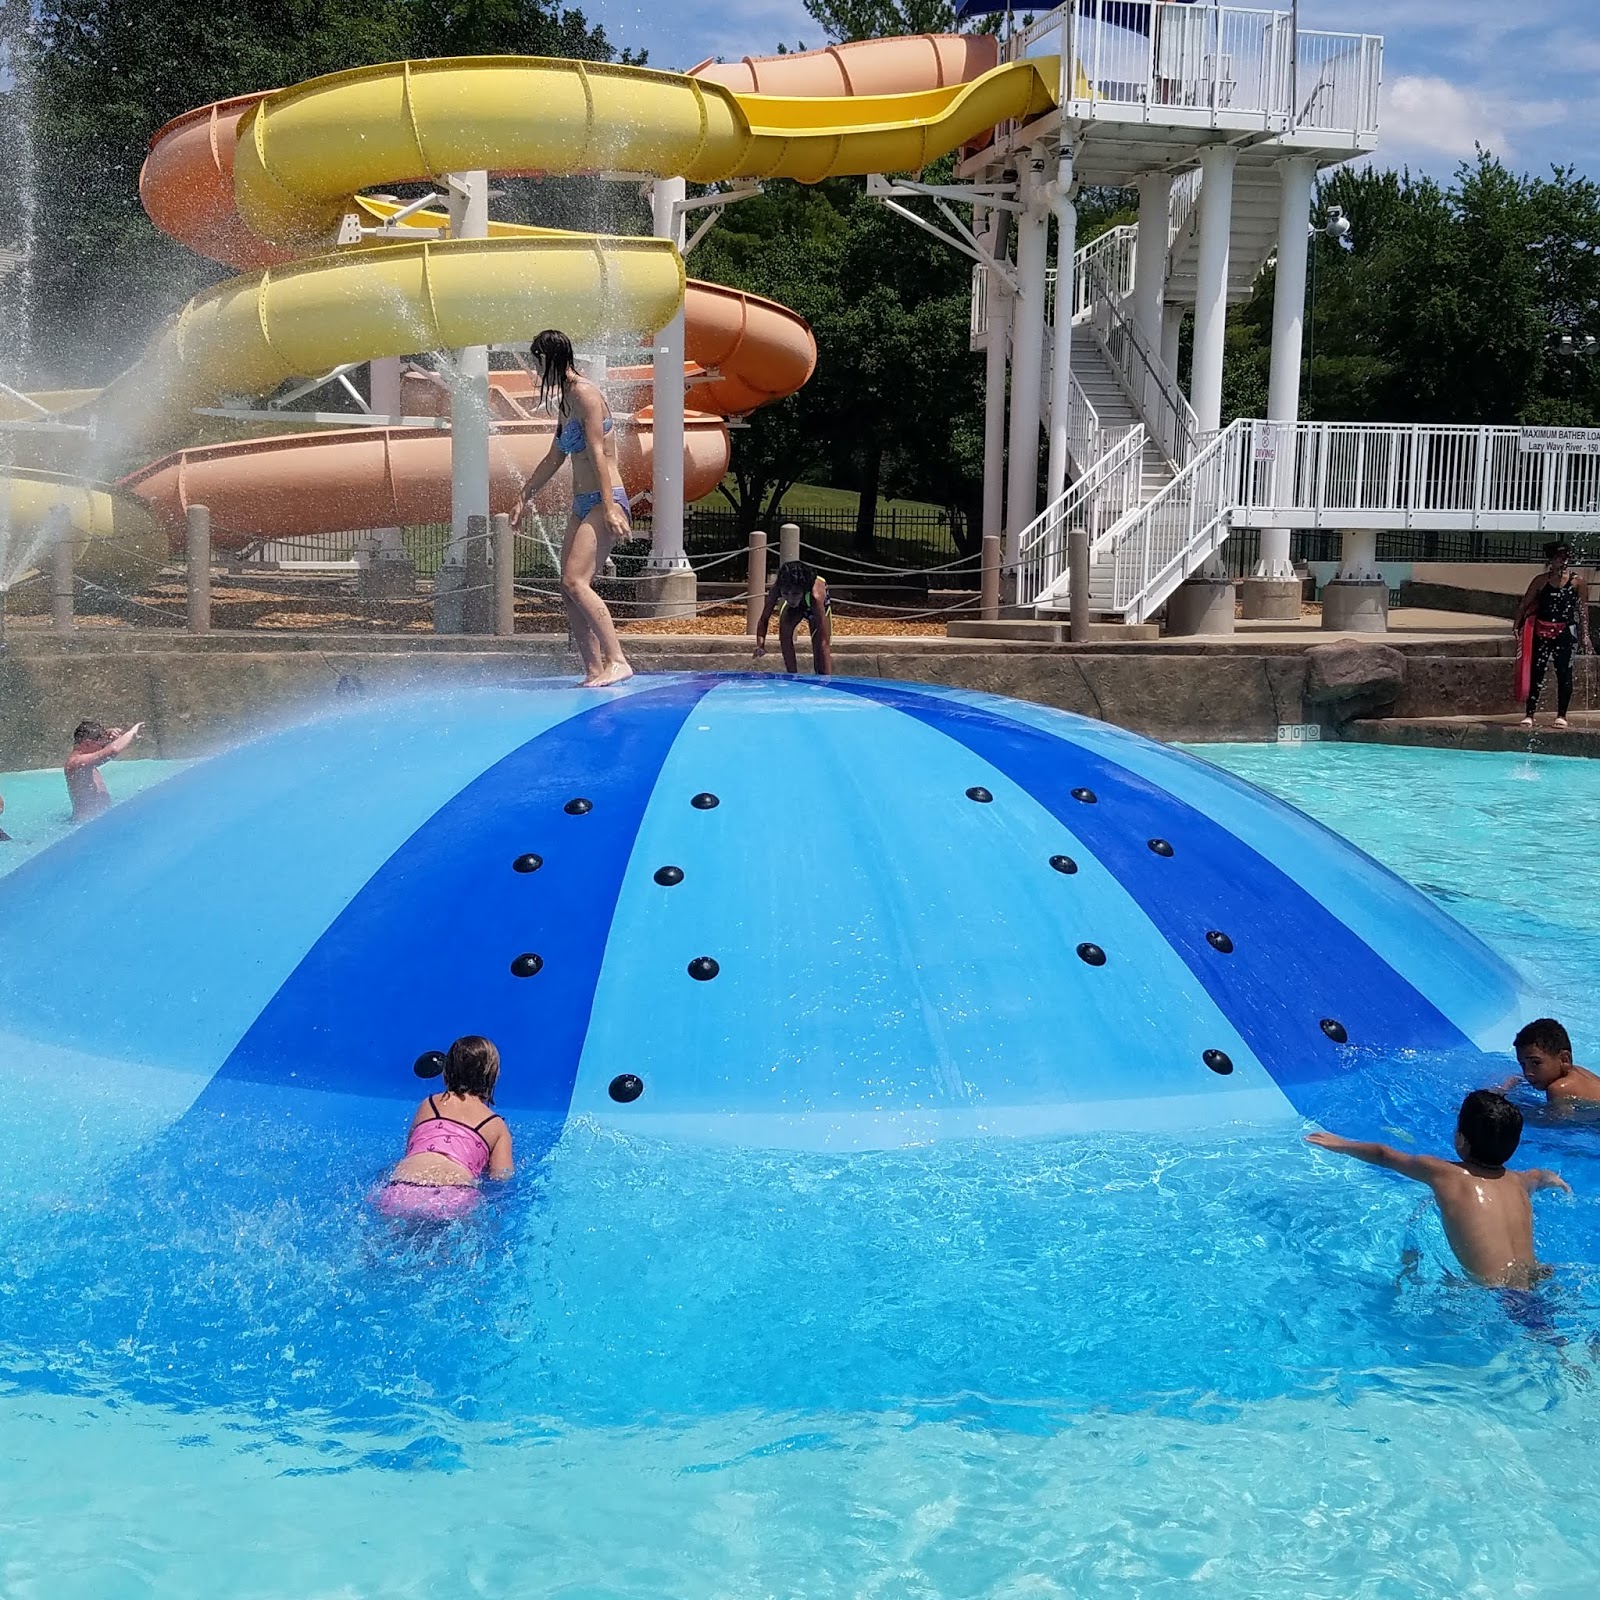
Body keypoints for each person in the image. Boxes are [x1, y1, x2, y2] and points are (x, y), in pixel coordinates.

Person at [1305, 1090, 1569, 1289]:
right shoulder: (1520, 1181)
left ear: (1461, 1140)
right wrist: (1555, 1179)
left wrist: (1340, 1143)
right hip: (1535, 1280)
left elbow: (1384, 1154)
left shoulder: (1444, 1174)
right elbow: (1541, 1175)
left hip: (1492, 1294)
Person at [514, 330, 634, 688]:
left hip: (604, 497)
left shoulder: (584, 393)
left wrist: (611, 509)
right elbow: (555, 457)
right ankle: (594, 669)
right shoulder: (564, 401)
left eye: (538, 362)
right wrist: (524, 496)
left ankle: (618, 660)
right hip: (582, 503)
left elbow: (597, 452)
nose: (537, 371)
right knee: (566, 587)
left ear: (550, 359)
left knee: (575, 580)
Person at [376, 1035, 513, 1222]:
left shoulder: (428, 1104)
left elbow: (410, 1149)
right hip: (454, 1194)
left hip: (401, 1187)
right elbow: (501, 1179)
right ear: (493, 1076)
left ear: (447, 1070)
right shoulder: (496, 1126)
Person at [1514, 541, 1590, 728]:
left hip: (1565, 632)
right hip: (1542, 631)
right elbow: (1525, 604)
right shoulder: (1541, 581)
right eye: (1558, 557)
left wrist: (1584, 635)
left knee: (1564, 673)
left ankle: (1561, 715)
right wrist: (1517, 624)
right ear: (1550, 560)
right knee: (1536, 671)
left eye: (1565, 557)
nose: (1563, 561)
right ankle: (1530, 713)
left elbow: (1583, 611)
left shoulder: (1577, 582)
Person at [753, 560, 833, 676]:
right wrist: (760, 645)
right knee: (784, 630)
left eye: (795, 594)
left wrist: (826, 679)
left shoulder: (815, 596)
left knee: (819, 648)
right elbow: (764, 619)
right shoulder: (777, 589)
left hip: (812, 605)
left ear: (803, 590)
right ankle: (792, 675)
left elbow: (824, 641)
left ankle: (824, 677)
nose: (790, 599)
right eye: (785, 594)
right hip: (797, 608)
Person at [1501, 1017, 1600, 1106]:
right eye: (1523, 1065)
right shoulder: (1578, 1072)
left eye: (1536, 1063)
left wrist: (1517, 1107)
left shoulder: (1559, 1089)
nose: (1527, 1073)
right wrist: (1512, 1082)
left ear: (1564, 1060)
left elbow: (1554, 1123)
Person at [64, 720, 143, 823]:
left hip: (100, 820)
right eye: (101, 745)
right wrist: (132, 732)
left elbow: (106, 749)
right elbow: (113, 750)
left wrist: (107, 733)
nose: (103, 747)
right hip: (86, 825)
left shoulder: (87, 760)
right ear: (87, 744)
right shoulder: (76, 763)